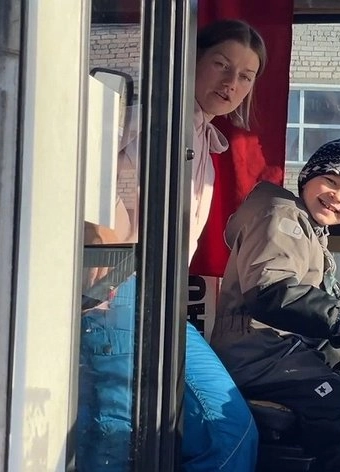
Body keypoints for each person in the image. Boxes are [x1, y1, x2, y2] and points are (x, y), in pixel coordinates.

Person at [77, 19, 266, 472]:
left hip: (158, 298)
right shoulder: (149, 115)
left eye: (246, 76)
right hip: (118, 286)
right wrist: (98, 227)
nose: (231, 83)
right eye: (221, 64)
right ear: (191, 60)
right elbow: (76, 156)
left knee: (224, 432)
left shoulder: (205, 149)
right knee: (118, 438)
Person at [210, 137, 340, 472]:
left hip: (278, 357)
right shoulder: (282, 216)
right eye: (331, 181)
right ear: (308, 178)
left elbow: (301, 323)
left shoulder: (310, 233)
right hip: (259, 360)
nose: (337, 196)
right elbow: (270, 293)